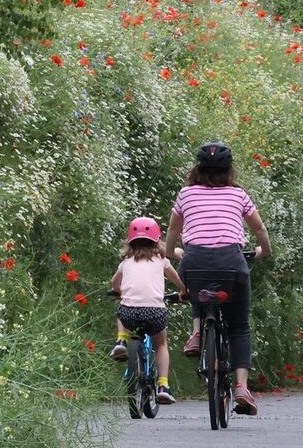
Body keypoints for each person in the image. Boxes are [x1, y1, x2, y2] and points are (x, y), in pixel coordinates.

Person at [165, 141, 271, 416]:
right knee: (238, 326)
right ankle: (240, 387)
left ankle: (198, 334)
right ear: (229, 169)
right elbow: (259, 228)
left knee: (198, 288)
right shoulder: (238, 195)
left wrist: (170, 252)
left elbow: (174, 229)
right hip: (231, 262)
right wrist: (265, 251)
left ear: (197, 168)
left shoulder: (186, 194)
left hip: (194, 260)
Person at [109, 216, 184, 405]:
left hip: (130, 313)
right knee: (161, 345)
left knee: (123, 308)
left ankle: (122, 341)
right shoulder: (162, 259)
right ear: (157, 240)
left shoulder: (126, 262)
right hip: (155, 313)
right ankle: (163, 386)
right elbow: (175, 278)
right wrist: (184, 290)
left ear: (129, 242)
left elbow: (114, 282)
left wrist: (119, 291)